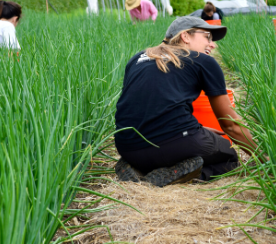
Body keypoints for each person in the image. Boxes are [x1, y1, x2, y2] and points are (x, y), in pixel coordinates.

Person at [113, 16, 263, 187]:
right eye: (207, 37)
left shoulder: (138, 58)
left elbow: (146, 104)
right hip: (175, 144)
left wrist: (199, 128)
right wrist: (262, 156)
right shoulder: (203, 61)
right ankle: (177, 174)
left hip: (127, 147)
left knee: (171, 146)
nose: (213, 44)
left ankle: (138, 168)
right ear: (185, 36)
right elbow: (230, 125)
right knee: (228, 155)